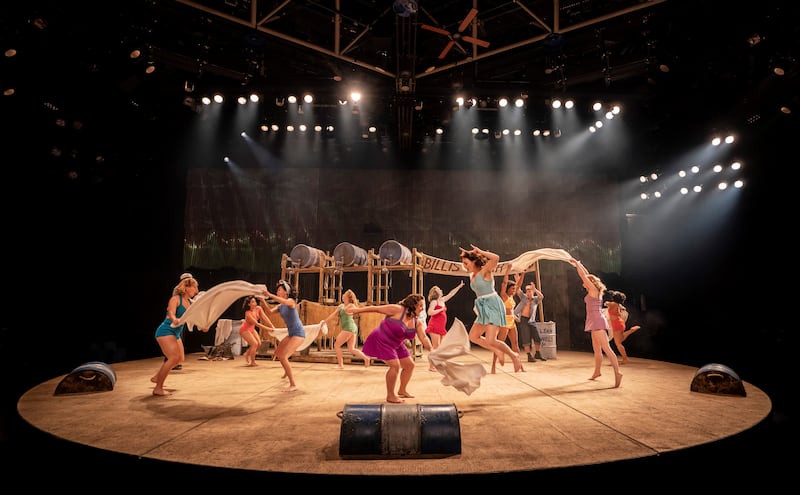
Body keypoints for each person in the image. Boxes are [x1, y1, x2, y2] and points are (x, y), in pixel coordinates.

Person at [346, 294, 432, 403]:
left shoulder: (417, 322)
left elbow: (423, 337)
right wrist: (356, 310)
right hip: (382, 339)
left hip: (396, 343)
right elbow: (376, 309)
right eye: (420, 305)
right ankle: (390, 395)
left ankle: (402, 390)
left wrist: (432, 350)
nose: (422, 308)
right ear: (413, 305)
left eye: (423, 306)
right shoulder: (398, 309)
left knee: (410, 365)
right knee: (395, 366)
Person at [460, 245, 524, 373]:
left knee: (490, 339)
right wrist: (466, 255)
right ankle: (496, 350)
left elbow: (496, 258)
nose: (465, 266)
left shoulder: (485, 271)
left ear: (474, 262)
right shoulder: (472, 274)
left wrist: (479, 252)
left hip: (492, 304)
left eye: (466, 263)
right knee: (473, 336)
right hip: (482, 306)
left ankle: (513, 355)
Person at [567, 258, 622, 387]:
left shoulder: (593, 290)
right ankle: (597, 372)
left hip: (597, 321)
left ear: (590, 283)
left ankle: (618, 372)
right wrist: (579, 264)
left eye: (585, 282)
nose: (583, 283)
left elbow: (583, 276)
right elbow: (586, 275)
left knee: (606, 349)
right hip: (594, 321)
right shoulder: (594, 291)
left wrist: (576, 264)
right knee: (597, 350)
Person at [151, 275, 200, 396]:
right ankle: (158, 388)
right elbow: (171, 313)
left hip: (175, 333)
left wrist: (203, 326)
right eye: (195, 287)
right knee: (173, 358)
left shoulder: (189, 303)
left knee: (179, 359)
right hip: (166, 331)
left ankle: (158, 377)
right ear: (187, 287)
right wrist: (175, 319)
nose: (196, 291)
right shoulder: (175, 299)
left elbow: (192, 319)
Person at [262, 280, 305, 392]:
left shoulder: (291, 301)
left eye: (279, 290)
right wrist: (262, 300)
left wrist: (269, 295)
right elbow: (269, 312)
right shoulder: (281, 306)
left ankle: (293, 384)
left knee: (283, 357)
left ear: (286, 292)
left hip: (298, 333)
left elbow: (284, 302)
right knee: (278, 353)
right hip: (291, 333)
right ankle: (287, 370)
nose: (277, 291)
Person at [322, 289, 371, 369]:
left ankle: (340, 365)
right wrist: (324, 321)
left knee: (336, 345)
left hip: (349, 328)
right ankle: (366, 358)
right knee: (351, 349)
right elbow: (333, 315)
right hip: (350, 328)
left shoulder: (351, 305)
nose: (343, 295)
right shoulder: (341, 306)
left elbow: (356, 310)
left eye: (344, 294)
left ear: (348, 297)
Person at [425, 280, 465, 371]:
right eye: (439, 289)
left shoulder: (442, 300)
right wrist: (441, 310)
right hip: (434, 325)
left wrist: (459, 286)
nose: (441, 290)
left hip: (441, 327)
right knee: (436, 347)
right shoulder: (434, 302)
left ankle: (438, 363)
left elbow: (451, 294)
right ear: (436, 292)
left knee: (443, 346)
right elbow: (430, 312)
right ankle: (431, 366)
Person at [492, 265, 521, 373]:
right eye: (512, 288)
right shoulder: (504, 296)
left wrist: (522, 274)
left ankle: (520, 366)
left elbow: (518, 285)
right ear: (508, 289)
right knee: (499, 344)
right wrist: (507, 271)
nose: (514, 290)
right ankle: (493, 365)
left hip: (512, 322)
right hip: (504, 321)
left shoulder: (512, 297)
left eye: (514, 289)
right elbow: (504, 283)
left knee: (515, 344)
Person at [514, 278, 547, 362]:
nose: (528, 293)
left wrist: (535, 289)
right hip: (524, 320)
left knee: (537, 338)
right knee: (526, 338)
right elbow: (517, 289)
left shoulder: (535, 300)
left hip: (532, 321)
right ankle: (529, 356)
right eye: (527, 291)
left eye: (530, 291)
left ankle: (537, 353)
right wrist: (518, 280)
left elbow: (541, 296)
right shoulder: (523, 298)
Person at [604, 290, 641, 364]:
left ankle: (625, 359)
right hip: (619, 323)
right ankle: (631, 330)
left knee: (618, 343)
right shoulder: (617, 305)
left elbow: (605, 303)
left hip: (617, 324)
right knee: (620, 339)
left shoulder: (613, 304)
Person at [239, 295, 275, 367]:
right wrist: (268, 329)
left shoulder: (258, 308)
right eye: (252, 302)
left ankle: (247, 354)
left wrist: (271, 325)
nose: (255, 303)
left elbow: (264, 318)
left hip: (251, 329)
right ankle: (252, 362)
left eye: (255, 301)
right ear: (249, 304)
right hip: (244, 329)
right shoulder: (248, 313)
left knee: (259, 343)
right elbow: (257, 324)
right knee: (254, 344)